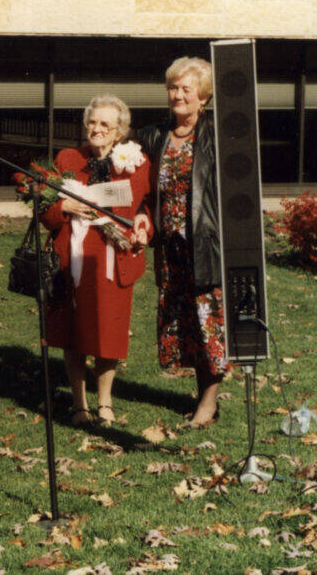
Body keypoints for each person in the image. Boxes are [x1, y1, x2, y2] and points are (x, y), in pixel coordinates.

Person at [38, 96, 152, 427]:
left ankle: (105, 403)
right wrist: (65, 209)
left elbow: (145, 208)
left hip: (113, 258)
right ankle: (78, 403)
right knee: (73, 330)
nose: (96, 129)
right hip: (71, 257)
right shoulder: (68, 158)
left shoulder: (136, 162)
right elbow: (44, 209)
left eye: (104, 124)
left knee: (109, 329)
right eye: (92, 122)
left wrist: (145, 226)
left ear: (119, 132)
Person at [134, 57, 226, 428]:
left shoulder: (216, 134)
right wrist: (142, 213)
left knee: (208, 321)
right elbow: (138, 186)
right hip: (169, 248)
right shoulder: (153, 136)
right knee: (186, 323)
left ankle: (208, 404)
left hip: (204, 243)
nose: (178, 95)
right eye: (173, 88)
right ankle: (203, 395)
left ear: (203, 97)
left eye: (186, 89)